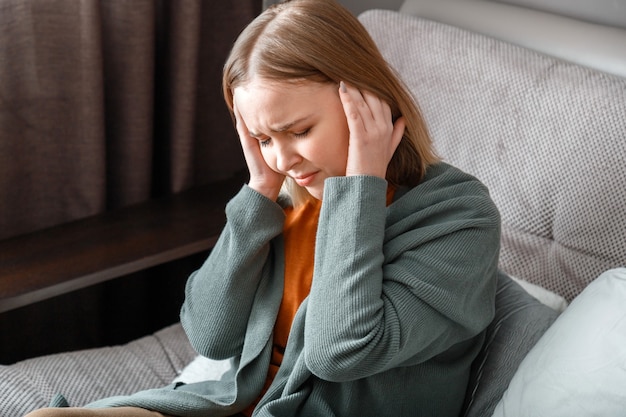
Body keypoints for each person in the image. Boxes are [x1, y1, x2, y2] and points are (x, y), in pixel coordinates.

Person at [24, 0, 501, 416]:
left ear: (367, 100)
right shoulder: (285, 201)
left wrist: (360, 187)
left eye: (298, 130)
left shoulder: (459, 217)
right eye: (262, 139)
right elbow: (211, 337)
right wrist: (257, 192)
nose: (281, 158)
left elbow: (341, 352)